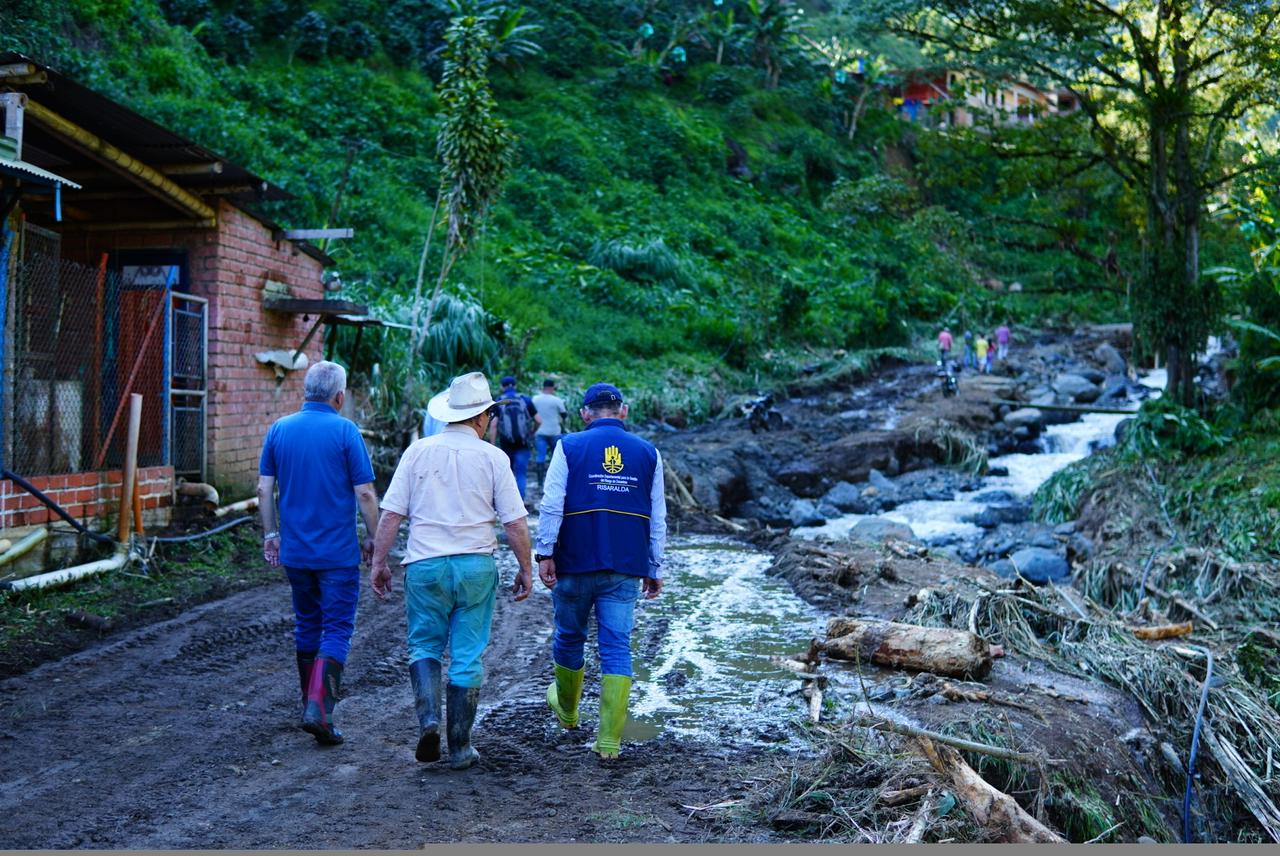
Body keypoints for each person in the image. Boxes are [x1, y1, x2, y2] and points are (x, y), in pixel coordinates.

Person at [369, 371, 534, 769]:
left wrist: (379, 563)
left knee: (424, 645)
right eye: (490, 415)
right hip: (475, 566)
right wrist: (525, 568)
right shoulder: (493, 458)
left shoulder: (417, 452)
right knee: (467, 655)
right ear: (480, 417)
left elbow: (391, 515)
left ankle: (429, 720)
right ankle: (460, 747)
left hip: (425, 566)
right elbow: (514, 523)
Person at [535, 382, 667, 760]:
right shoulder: (649, 453)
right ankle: (609, 741)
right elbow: (658, 516)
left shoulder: (569, 446)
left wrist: (545, 552)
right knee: (616, 646)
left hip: (574, 561)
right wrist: (655, 565)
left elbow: (552, 503)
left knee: (569, 635)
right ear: (623, 411)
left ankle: (568, 711)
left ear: (584, 414)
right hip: (626, 565)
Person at [257, 360, 380, 746]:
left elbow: (263, 489)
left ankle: (308, 704)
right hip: (337, 556)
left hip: (296, 554)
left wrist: (271, 534)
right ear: (339, 397)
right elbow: (365, 493)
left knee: (307, 624)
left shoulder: (279, 429)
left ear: (306, 391)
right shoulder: (345, 431)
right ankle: (320, 711)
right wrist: (374, 538)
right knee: (338, 628)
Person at [489, 375, 539, 500]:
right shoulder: (525, 400)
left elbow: (494, 425)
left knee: (507, 474)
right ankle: (520, 501)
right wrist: (532, 432)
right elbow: (539, 420)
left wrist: (492, 445)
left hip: (506, 444)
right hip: (523, 443)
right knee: (521, 474)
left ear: (502, 387)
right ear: (515, 386)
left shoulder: (499, 402)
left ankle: (509, 501)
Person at [531, 379, 568, 490]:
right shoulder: (557, 400)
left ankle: (540, 483)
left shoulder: (535, 399)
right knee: (556, 457)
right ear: (552, 388)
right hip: (554, 432)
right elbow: (564, 415)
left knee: (540, 456)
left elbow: (531, 414)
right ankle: (555, 480)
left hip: (540, 432)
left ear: (543, 387)